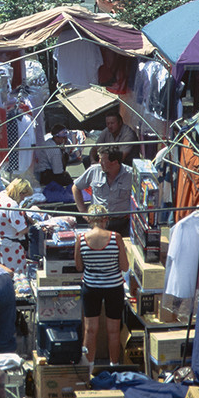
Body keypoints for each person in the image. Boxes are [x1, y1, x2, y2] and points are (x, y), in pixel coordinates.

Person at [74, 204, 128, 365]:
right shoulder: (115, 237)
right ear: (106, 219)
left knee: (90, 330)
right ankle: (114, 366)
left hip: (91, 287)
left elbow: (79, 267)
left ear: (89, 219)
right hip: (114, 287)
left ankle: (88, 369)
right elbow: (124, 266)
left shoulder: (81, 239)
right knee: (113, 331)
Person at [73, 146, 133, 237]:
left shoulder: (131, 175)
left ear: (114, 162)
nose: (99, 162)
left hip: (122, 223)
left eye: (102, 160)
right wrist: (83, 212)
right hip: (98, 223)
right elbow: (76, 187)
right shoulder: (94, 170)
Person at [0, 178, 32, 273]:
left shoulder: (0, 195)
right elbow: (22, 230)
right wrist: (33, 225)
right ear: (20, 193)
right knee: (17, 276)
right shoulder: (12, 205)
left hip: (1, 241)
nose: (23, 199)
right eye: (24, 196)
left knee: (6, 271)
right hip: (11, 246)